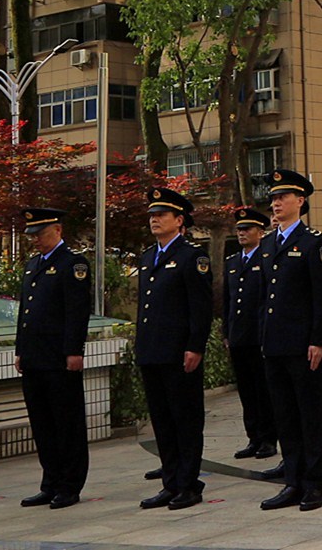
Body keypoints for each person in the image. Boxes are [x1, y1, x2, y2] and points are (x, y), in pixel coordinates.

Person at [258, 169, 322, 513]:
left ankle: (313, 484)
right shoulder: (268, 243)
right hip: (274, 345)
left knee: (308, 415)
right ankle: (292, 480)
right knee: (284, 416)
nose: (275, 203)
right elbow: (265, 298)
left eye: (282, 197)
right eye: (273, 198)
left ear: (300, 201)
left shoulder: (314, 243)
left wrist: (319, 340)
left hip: (303, 345)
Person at [136, 187, 213, 511]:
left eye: (161, 215)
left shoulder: (191, 256)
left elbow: (201, 307)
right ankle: (170, 482)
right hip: (152, 352)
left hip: (179, 353)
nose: (155, 220)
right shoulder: (147, 257)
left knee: (185, 419)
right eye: (152, 215)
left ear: (178, 220)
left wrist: (195, 346)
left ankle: (188, 484)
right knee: (162, 421)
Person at [14, 206, 92, 509]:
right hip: (34, 357)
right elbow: (26, 312)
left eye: (40, 233)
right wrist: (21, 349)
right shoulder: (33, 265)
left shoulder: (72, 264)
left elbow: (76, 312)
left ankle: (69, 485)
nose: (35, 239)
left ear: (57, 230)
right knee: (43, 423)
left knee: (66, 422)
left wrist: (74, 351)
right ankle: (50, 481)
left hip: (59, 358)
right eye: (31, 234)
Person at [223, 207, 277, 461]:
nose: (242, 233)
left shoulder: (266, 258)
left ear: (260, 232)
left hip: (259, 335)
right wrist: (226, 332)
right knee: (246, 390)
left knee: (263, 389)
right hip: (239, 336)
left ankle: (268, 438)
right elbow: (227, 301)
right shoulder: (233, 262)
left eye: (247, 229)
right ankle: (253, 436)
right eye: (239, 229)